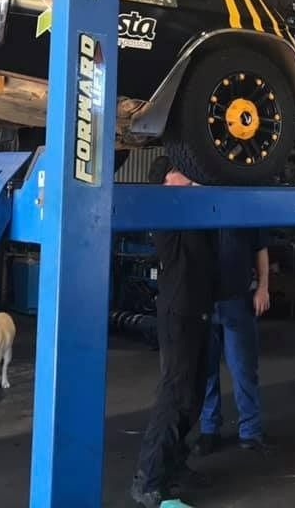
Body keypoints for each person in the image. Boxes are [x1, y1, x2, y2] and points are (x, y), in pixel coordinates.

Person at [127, 156, 215, 508]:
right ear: (165, 181)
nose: (190, 179)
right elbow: (198, 198)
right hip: (179, 312)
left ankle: (174, 465)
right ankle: (147, 480)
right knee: (173, 394)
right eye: (182, 175)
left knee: (193, 394)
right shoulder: (167, 212)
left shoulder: (187, 207)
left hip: (200, 310)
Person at [193, 227, 271, 455]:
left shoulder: (242, 206)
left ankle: (251, 431)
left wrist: (263, 288)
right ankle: (209, 430)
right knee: (206, 371)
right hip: (202, 303)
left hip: (238, 301)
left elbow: (260, 248)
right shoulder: (196, 205)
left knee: (244, 369)